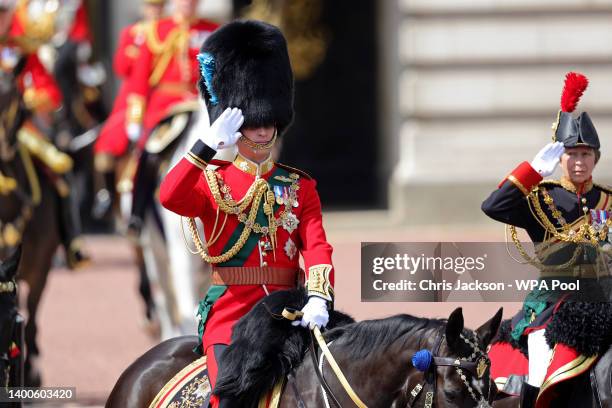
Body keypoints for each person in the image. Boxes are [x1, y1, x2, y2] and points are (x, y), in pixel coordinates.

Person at [159, 20, 334, 407]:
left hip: (292, 309)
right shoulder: (213, 182)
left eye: (267, 122)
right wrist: (205, 146)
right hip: (233, 317)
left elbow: (318, 247)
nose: (261, 132)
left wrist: (320, 296)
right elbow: (170, 195)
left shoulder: (300, 187)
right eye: (253, 123)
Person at [482, 72, 612, 407]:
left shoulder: (608, 201)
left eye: (586, 154)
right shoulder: (543, 198)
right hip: (553, 305)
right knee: (541, 368)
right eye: (571, 154)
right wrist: (533, 171)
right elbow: (493, 206)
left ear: (596, 158)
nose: (579, 161)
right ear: (560, 158)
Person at [2, 0, 90, 268]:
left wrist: (29, 99)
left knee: (60, 171)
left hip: (21, 129)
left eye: (3, 12)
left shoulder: (22, 51)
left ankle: (72, 241)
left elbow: (50, 92)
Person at [117, 0, 218, 232]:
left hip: (203, 103)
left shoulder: (211, 31)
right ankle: (138, 213)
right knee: (150, 153)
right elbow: (139, 79)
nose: (188, 5)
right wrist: (135, 118)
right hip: (166, 108)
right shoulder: (156, 30)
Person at [92, 0, 166, 219]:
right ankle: (106, 194)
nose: (155, 11)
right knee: (106, 147)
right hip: (130, 98)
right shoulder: (132, 33)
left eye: (159, 7)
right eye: (152, 7)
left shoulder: (167, 32)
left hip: (156, 96)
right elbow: (120, 66)